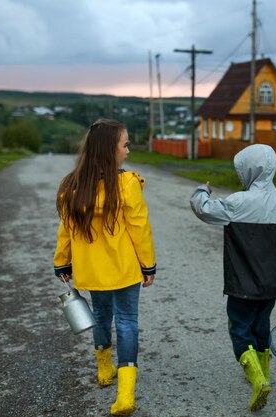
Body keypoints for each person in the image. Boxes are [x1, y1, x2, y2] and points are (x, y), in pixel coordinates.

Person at [53, 119, 156, 416]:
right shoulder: (126, 184)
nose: (128, 150)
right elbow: (140, 229)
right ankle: (125, 394)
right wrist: (148, 266)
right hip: (124, 270)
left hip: (92, 271)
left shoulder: (71, 186)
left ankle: (104, 369)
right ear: (109, 150)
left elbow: (66, 230)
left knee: (100, 315)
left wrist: (62, 261)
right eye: (125, 144)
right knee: (126, 321)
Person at [190, 144, 276, 412]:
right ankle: (264, 372)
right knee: (261, 326)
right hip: (270, 285)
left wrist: (201, 191)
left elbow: (203, 209)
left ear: (249, 171)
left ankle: (257, 379)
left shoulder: (237, 203)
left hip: (241, 285)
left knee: (239, 329)